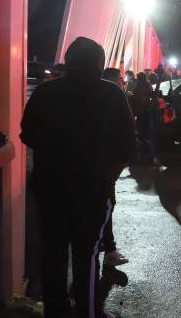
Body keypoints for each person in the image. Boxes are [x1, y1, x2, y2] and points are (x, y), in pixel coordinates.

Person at [21, 37, 136, 318]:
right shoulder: (111, 94)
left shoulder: (46, 93)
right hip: (93, 191)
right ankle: (87, 311)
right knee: (87, 257)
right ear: (99, 63)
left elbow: (28, 135)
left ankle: (55, 311)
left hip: (50, 190)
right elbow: (128, 148)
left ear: (68, 62)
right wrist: (107, 177)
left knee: (53, 255)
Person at [100, 67, 130, 267]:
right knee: (105, 205)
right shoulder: (114, 95)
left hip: (76, 167)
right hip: (103, 167)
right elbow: (128, 135)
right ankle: (108, 249)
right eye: (120, 78)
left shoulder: (54, 92)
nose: (122, 82)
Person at [130, 72, 159, 165]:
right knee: (148, 134)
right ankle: (149, 155)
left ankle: (143, 155)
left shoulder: (137, 88)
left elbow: (135, 102)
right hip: (147, 113)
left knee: (141, 134)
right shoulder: (148, 86)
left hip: (141, 114)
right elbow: (152, 97)